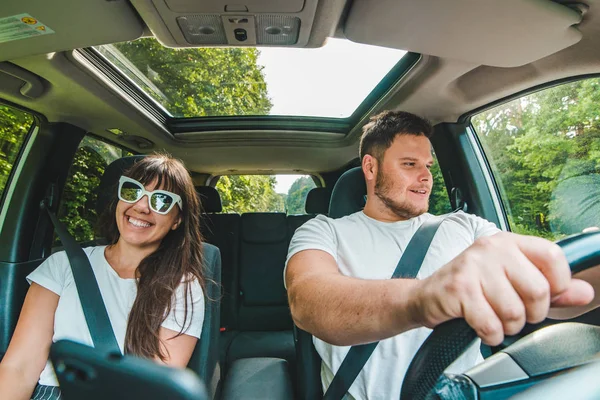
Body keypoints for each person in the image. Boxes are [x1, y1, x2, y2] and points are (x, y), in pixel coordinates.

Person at [285, 111, 600, 399]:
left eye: (428, 166)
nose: (425, 176)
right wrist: (422, 298)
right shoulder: (323, 231)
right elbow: (309, 301)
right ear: (371, 167)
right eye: (410, 164)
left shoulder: (467, 226)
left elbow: (543, 285)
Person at [0, 154, 206, 400]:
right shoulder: (62, 265)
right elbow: (19, 368)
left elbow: (152, 390)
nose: (141, 206)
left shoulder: (183, 287)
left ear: (177, 220)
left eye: (161, 200)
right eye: (132, 191)